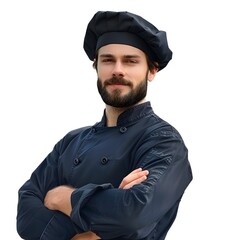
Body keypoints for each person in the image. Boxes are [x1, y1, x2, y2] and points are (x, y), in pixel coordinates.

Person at [16, 10, 193, 240]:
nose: (117, 69)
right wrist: (90, 229)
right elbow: (26, 209)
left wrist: (62, 198)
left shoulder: (164, 142)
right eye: (108, 60)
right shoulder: (72, 141)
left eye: (130, 61)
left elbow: (132, 212)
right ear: (96, 67)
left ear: (151, 70)